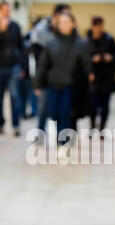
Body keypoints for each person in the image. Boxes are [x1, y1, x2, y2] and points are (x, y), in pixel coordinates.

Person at [34, 13, 92, 145]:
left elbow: (86, 62)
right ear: (57, 25)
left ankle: (63, 140)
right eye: (61, 22)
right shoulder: (51, 43)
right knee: (54, 113)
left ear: (73, 24)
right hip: (52, 84)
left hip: (70, 85)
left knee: (65, 113)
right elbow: (42, 65)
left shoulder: (79, 43)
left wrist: (90, 73)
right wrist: (37, 83)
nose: (64, 25)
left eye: (67, 22)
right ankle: (61, 135)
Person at [30, 4, 71, 137]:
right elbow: (37, 56)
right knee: (43, 108)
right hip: (47, 77)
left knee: (63, 110)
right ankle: (40, 134)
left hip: (63, 77)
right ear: (56, 15)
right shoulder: (41, 30)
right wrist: (40, 79)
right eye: (64, 14)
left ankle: (62, 137)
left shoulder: (65, 31)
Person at [0, 0, 24, 136]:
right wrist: (2, 31)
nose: (7, 12)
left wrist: (22, 65)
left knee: (14, 96)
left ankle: (16, 125)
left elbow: (21, 47)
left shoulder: (15, 26)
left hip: (14, 66)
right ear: (0, 11)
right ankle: (0, 123)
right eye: (4, 9)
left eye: (8, 10)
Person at [86, 16, 115, 131]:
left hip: (107, 78)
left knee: (105, 106)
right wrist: (92, 59)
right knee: (92, 106)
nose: (98, 28)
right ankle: (92, 127)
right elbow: (82, 60)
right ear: (92, 26)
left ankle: (102, 129)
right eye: (96, 26)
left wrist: (110, 58)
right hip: (93, 79)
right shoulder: (87, 41)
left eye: (100, 26)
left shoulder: (109, 40)